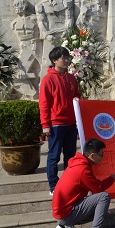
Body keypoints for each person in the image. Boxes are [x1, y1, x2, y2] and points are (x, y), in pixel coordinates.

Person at [51, 138, 115, 228]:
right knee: (103, 197)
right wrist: (112, 178)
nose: (102, 157)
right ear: (92, 156)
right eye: (101, 155)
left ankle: (67, 226)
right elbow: (98, 188)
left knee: (102, 211)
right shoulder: (82, 169)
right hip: (65, 213)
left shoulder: (77, 164)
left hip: (62, 211)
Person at [39, 47, 80, 195]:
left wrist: (77, 101)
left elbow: (77, 96)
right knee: (54, 156)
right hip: (56, 124)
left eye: (68, 57)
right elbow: (44, 103)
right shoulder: (48, 79)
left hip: (71, 123)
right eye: (63, 58)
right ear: (55, 60)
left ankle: (69, 183)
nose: (67, 60)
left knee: (70, 156)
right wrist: (45, 125)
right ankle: (54, 186)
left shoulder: (71, 79)